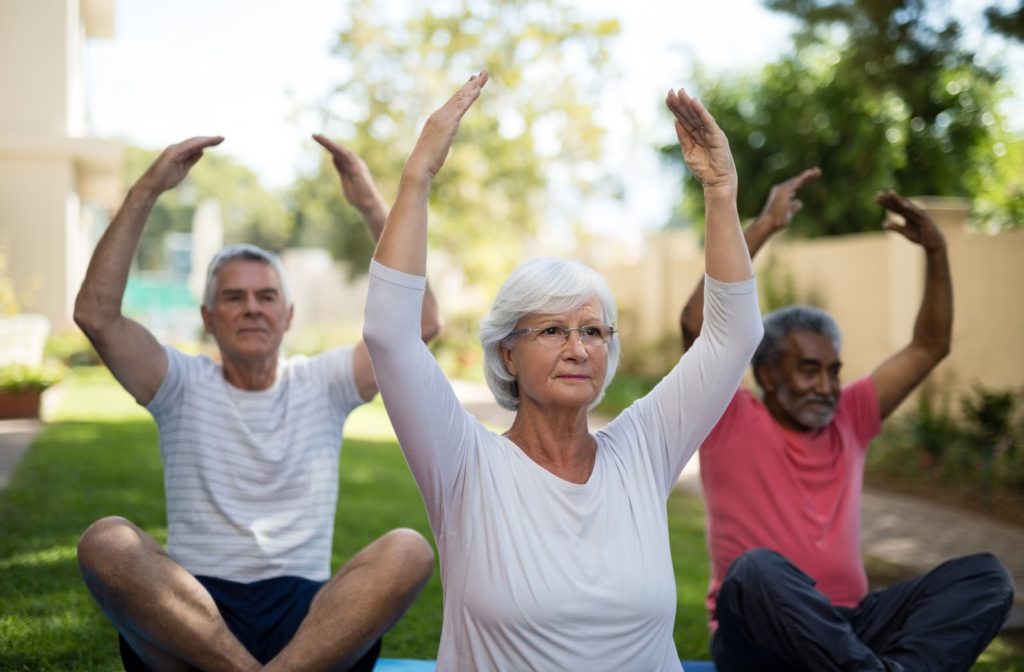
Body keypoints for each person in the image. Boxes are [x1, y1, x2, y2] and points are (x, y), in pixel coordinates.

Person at [362, 69, 763, 670]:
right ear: (506, 353)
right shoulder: (465, 464)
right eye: (552, 330)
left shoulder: (643, 452)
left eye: (594, 331)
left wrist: (721, 193)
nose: (579, 348)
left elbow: (734, 336)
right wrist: (417, 176)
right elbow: (389, 334)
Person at [73, 134, 437, 671]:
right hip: (195, 617)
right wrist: (148, 189)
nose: (251, 309)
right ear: (207, 318)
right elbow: (96, 316)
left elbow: (421, 324)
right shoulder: (178, 382)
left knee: (409, 549)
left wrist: (370, 205)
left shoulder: (324, 382)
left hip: (309, 622)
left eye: (266, 297)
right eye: (233, 297)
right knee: (105, 541)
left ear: (288, 316)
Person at [679, 170, 1015, 671]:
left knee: (986, 578)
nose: (827, 386)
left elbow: (929, 346)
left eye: (834, 371)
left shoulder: (851, 416)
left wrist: (937, 252)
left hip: (848, 629)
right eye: (809, 370)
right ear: (767, 375)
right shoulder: (728, 415)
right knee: (755, 571)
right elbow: (695, 322)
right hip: (757, 636)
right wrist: (765, 226)